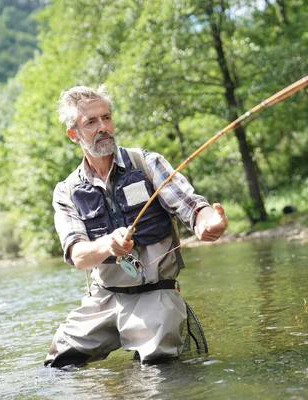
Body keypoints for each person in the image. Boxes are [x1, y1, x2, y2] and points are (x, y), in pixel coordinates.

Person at [44, 85, 228, 369]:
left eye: (106, 118)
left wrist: (207, 222)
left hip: (156, 294)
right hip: (104, 298)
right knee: (58, 367)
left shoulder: (147, 163)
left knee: (157, 373)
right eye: (91, 122)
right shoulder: (66, 191)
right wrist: (108, 245)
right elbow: (78, 255)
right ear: (74, 134)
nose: (103, 127)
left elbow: (190, 205)